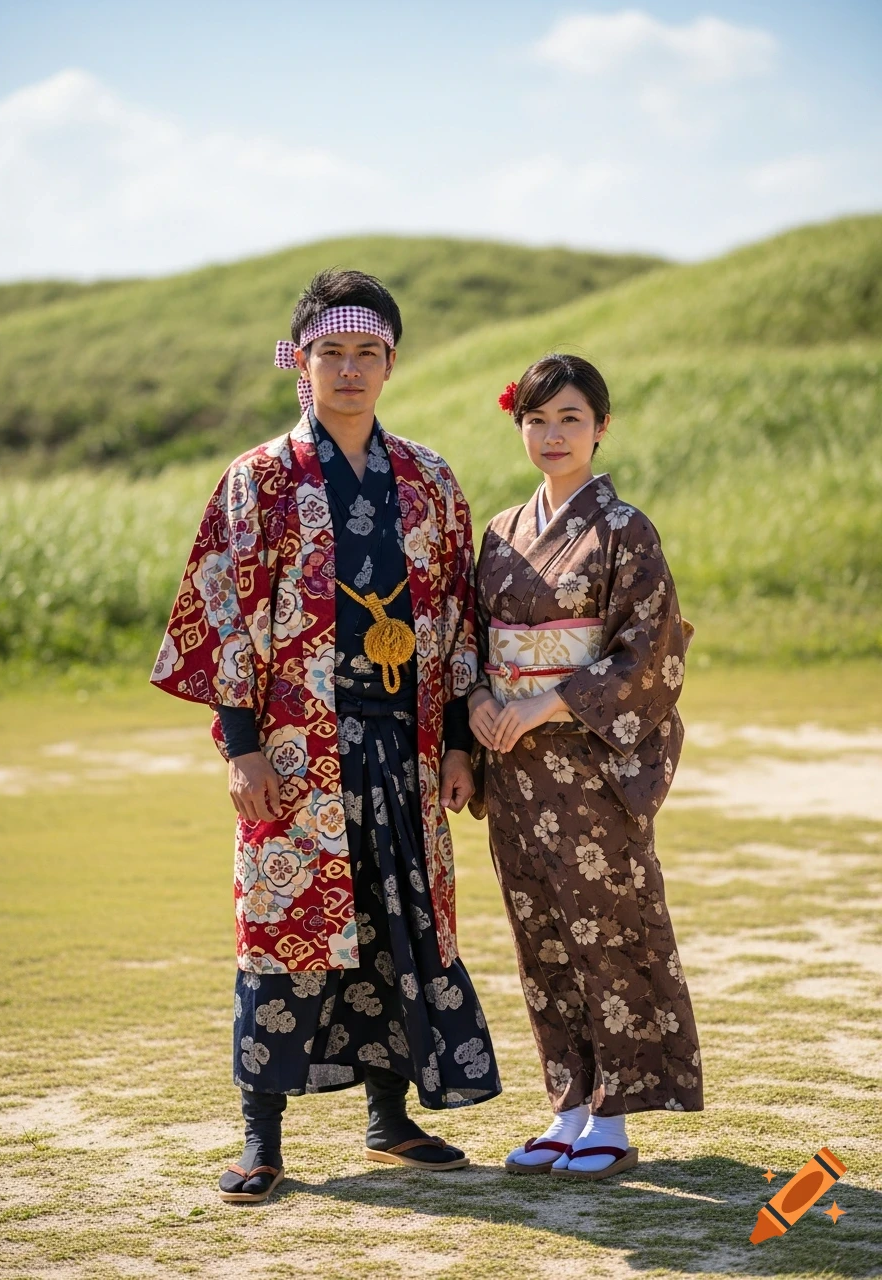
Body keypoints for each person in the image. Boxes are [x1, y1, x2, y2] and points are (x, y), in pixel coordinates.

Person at [151, 269, 500, 1203]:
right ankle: (260, 1139)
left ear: (390, 365)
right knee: (284, 933)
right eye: (331, 353)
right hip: (296, 755)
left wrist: (462, 742)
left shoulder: (430, 480)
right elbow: (222, 614)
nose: (349, 371)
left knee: (396, 931)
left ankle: (391, 1119)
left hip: (408, 750)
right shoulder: (257, 478)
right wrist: (241, 745)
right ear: (300, 363)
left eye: (367, 354)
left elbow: (462, 620)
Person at [468, 353, 701, 1181]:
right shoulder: (498, 533)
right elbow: (469, 645)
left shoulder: (624, 529)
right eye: (537, 420)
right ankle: (568, 1104)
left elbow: (652, 648)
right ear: (520, 427)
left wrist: (545, 702)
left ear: (601, 426)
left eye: (570, 418)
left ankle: (616, 1112)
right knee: (541, 938)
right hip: (515, 772)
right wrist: (477, 705)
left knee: (610, 928)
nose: (552, 435)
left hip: (591, 768)